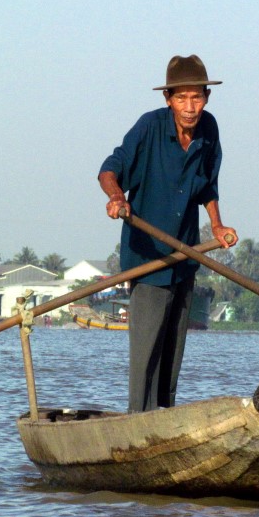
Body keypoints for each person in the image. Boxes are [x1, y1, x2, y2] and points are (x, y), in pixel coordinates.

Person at [98, 54, 238, 413]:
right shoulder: (149, 128)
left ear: (207, 97)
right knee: (145, 353)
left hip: (184, 257)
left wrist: (218, 226)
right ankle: (137, 421)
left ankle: (163, 421)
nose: (190, 107)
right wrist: (116, 198)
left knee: (173, 355)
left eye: (197, 98)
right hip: (148, 260)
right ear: (168, 100)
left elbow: (208, 186)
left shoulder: (209, 130)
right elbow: (109, 169)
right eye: (181, 98)